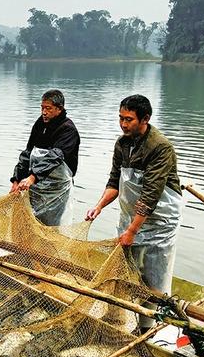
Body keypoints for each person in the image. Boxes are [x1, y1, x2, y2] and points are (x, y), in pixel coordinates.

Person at [86, 94, 182, 324]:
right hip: (131, 218)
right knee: (123, 269)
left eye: (129, 119)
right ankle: (117, 316)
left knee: (153, 278)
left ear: (145, 119)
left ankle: (149, 326)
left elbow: (150, 195)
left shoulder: (160, 147)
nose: (123, 124)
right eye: (120, 118)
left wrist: (133, 230)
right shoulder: (122, 144)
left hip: (159, 223)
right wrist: (98, 206)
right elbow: (114, 181)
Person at [10, 89, 80, 225]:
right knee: (27, 222)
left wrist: (32, 177)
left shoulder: (68, 129)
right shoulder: (40, 123)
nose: (44, 112)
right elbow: (28, 152)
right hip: (35, 185)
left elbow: (55, 157)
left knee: (49, 226)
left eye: (48, 108)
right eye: (42, 108)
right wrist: (16, 179)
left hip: (56, 190)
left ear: (59, 109)